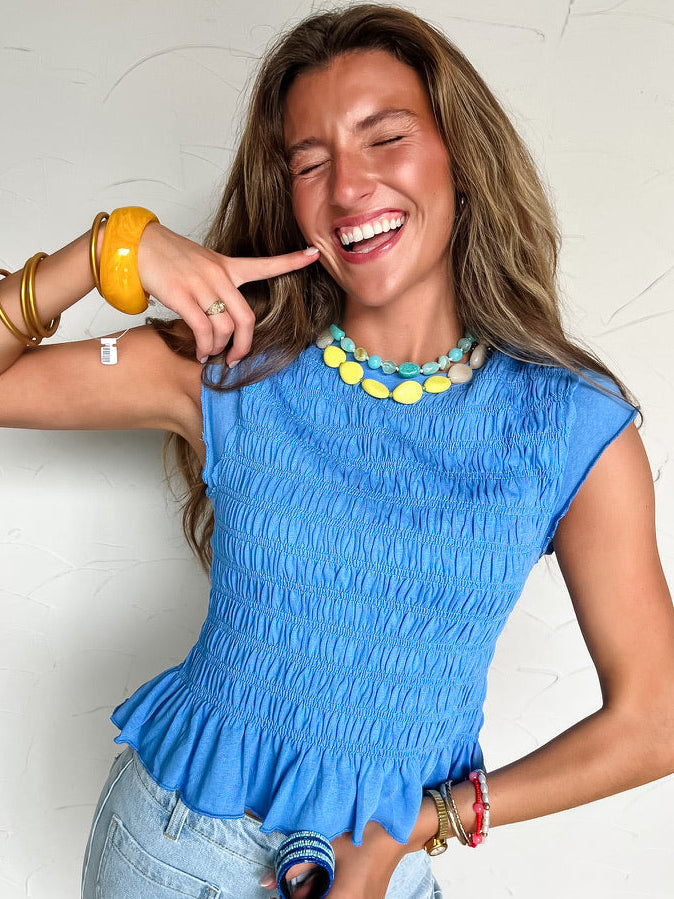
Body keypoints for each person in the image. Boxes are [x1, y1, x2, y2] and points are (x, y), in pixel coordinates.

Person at [1, 5, 673, 898]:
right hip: (172, 851)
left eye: (384, 138)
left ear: (459, 160)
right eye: (309, 162)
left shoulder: (570, 426)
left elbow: (655, 720)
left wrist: (421, 827)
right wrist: (111, 248)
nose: (348, 187)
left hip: (377, 874)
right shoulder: (236, 363)